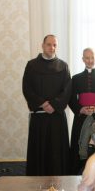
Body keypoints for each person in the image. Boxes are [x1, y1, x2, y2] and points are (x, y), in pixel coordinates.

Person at [22, 34, 71, 176]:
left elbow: (67, 90)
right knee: (39, 151)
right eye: (49, 44)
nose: (52, 47)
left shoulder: (63, 66)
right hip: (39, 118)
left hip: (57, 117)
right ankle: (36, 184)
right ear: (42, 46)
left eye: (55, 45)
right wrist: (43, 104)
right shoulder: (31, 65)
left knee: (57, 152)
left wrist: (54, 105)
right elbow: (27, 88)